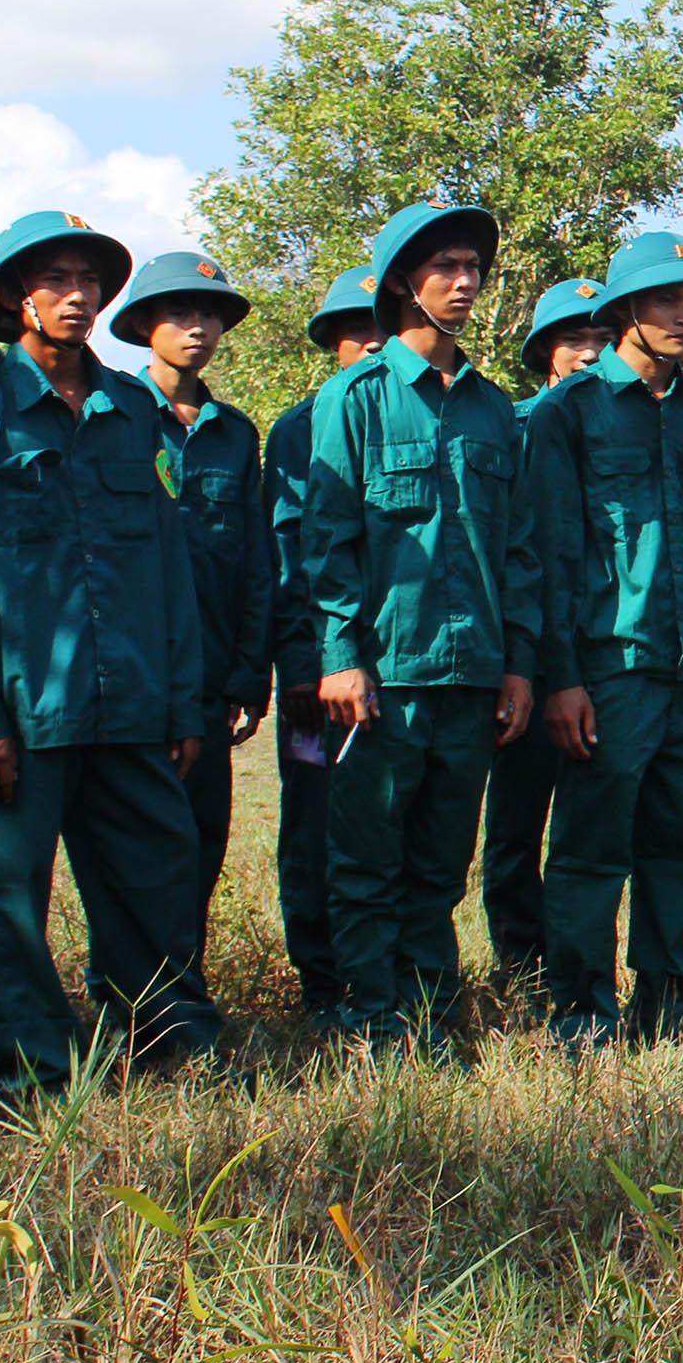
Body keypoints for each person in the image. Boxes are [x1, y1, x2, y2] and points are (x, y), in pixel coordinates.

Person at [0, 212, 220, 1091]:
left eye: (89, 280)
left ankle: (173, 1043)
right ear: (18, 297)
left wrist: (180, 702)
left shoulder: (133, 411)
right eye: (55, 279)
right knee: (11, 897)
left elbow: (170, 569)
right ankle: (32, 1065)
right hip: (25, 712)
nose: (78, 295)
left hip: (133, 703)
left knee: (155, 880)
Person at [299, 197, 541, 1055]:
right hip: (384, 675)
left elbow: (516, 546)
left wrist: (516, 663)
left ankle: (434, 1020)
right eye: (445, 267)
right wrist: (341, 654)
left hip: (471, 672)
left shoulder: (493, 408)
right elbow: (327, 539)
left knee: (441, 865)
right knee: (367, 858)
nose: (465, 282)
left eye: (474, 268)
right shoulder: (354, 397)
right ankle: (373, 1019)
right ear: (404, 282)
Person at [524, 235, 683, 1045]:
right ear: (625, 312)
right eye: (667, 301)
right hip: (608, 672)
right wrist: (561, 679)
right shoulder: (568, 413)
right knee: (590, 851)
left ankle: (671, 1011)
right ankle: (582, 1013)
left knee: (681, 847)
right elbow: (547, 555)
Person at [113, 251, 269, 993]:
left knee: (205, 840)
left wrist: (248, 670)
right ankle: (130, 998)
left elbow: (254, 559)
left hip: (209, 677)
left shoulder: (236, 433)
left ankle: (184, 992)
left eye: (210, 315)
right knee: (141, 847)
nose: (198, 328)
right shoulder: (114, 415)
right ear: (145, 325)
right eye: (179, 314)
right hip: (134, 676)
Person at [480, 277, 612, 987]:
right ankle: (518, 960)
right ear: (545, 352)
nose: (589, 353)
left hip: (605, 654)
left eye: (599, 338)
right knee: (516, 820)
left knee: (589, 825)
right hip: (531, 652)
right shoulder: (518, 423)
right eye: (574, 341)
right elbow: (520, 551)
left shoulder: (629, 419)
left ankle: (573, 959)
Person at [265, 267, 379, 1025]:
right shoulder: (302, 427)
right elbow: (285, 555)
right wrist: (306, 663)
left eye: (382, 329)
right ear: (333, 343)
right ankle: (320, 981)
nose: (371, 345)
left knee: (386, 822)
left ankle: (384, 976)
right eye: (356, 334)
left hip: (397, 665)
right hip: (321, 669)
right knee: (313, 821)